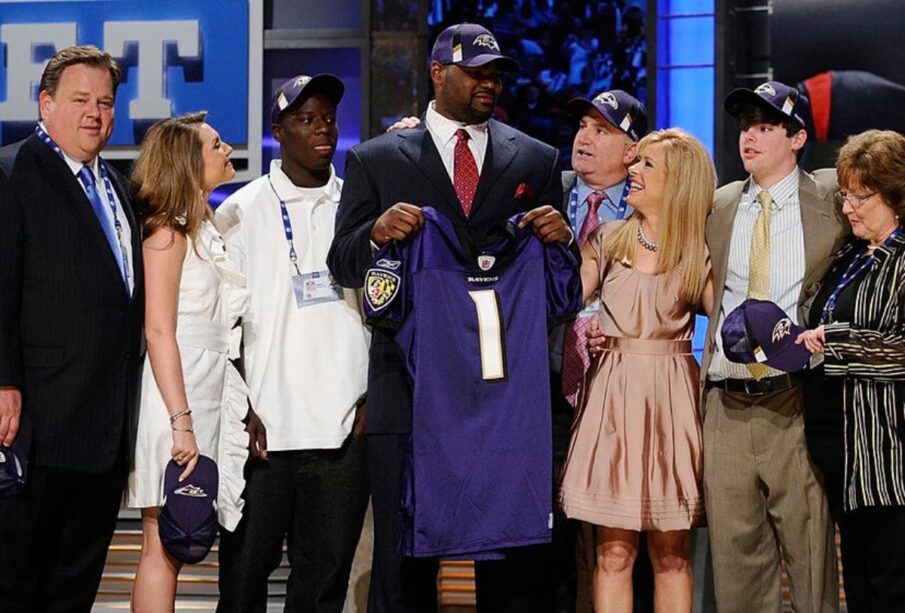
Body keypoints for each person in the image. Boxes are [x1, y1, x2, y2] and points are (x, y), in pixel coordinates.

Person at [327, 22, 572, 613]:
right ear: (439, 73)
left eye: (497, 74)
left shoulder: (536, 160)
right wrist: (374, 232)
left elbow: (557, 280)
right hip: (407, 386)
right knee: (403, 560)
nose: (490, 83)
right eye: (477, 72)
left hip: (501, 392)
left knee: (512, 559)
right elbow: (342, 259)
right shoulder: (376, 158)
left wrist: (561, 239)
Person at [214, 74, 370, 612]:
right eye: (306, 119)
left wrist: (372, 398)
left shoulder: (359, 207)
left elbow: (382, 311)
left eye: (328, 117)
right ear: (279, 131)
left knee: (323, 582)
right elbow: (222, 323)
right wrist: (239, 407)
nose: (322, 128)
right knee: (243, 578)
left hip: (344, 428)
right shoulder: (240, 210)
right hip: (265, 429)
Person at [0, 45, 143, 612]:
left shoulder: (117, 185)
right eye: (80, 100)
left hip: (103, 432)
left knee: (74, 588)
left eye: (105, 102)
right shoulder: (12, 173)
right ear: (45, 103)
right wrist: (3, 382)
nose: (95, 113)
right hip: (36, 427)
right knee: (16, 584)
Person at [701, 80, 847, 613]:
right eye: (745, 127)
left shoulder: (832, 199)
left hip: (796, 402)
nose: (750, 138)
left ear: (798, 137)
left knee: (811, 561)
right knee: (736, 565)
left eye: (765, 127)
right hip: (726, 403)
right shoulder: (717, 206)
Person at [560, 128, 714, 613]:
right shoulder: (607, 239)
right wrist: (589, 328)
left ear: (679, 181)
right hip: (613, 399)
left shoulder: (699, 252)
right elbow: (563, 300)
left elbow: (734, 325)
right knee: (612, 551)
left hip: (672, 400)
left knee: (670, 556)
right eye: (636, 162)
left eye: (647, 164)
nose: (633, 171)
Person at [126, 111, 249, 611]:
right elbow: (158, 329)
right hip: (174, 398)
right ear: (186, 163)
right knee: (165, 538)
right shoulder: (166, 233)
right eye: (215, 145)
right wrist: (181, 421)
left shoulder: (204, 228)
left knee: (183, 535)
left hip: (206, 391)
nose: (227, 151)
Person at [795, 129, 905, 612]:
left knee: (891, 586)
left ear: (897, 195)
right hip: (843, 453)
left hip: (888, 459)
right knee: (858, 587)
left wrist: (835, 342)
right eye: (846, 195)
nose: (849, 208)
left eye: (862, 195)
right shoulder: (847, 256)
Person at [554, 89, 648, 613]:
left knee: (622, 540)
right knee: (552, 541)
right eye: (583, 126)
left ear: (632, 151)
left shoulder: (650, 213)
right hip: (547, 388)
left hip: (622, 391)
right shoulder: (545, 188)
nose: (584, 137)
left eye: (602, 130)